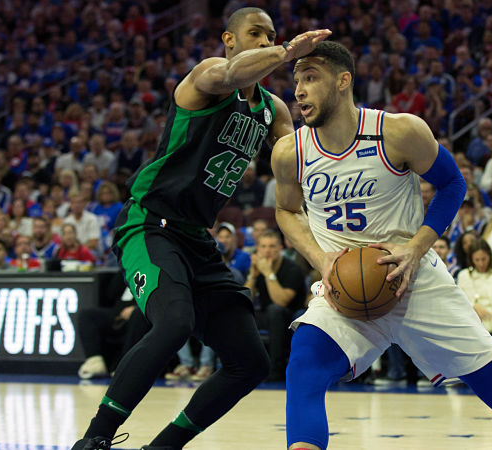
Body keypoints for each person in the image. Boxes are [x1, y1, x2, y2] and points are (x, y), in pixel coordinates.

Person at [273, 41, 492, 450]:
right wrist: (321, 258)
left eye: (310, 77)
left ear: (343, 81)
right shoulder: (289, 152)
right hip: (345, 285)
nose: (298, 90)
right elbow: (286, 211)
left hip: (415, 279)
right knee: (304, 364)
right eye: (296, 79)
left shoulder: (398, 131)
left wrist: (418, 245)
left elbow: (453, 183)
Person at [71, 9, 330, 450]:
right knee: (174, 323)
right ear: (229, 38)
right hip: (150, 224)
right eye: (255, 34)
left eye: (271, 35)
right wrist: (285, 52)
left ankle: (165, 445)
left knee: (249, 362)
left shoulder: (273, 109)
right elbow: (231, 72)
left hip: (197, 239)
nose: (265, 40)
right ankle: (95, 439)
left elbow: (299, 155)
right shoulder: (207, 76)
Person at [245, 230, 307, 381]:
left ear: (280, 248)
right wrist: (252, 276)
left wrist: (268, 274)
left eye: (272, 246)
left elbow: (281, 301)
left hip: (292, 317)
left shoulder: (292, 268)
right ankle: (240, 366)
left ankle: (275, 369)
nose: (267, 250)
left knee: (275, 311)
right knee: (239, 313)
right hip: (267, 314)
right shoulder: (258, 267)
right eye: (263, 246)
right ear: (257, 249)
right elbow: (246, 300)